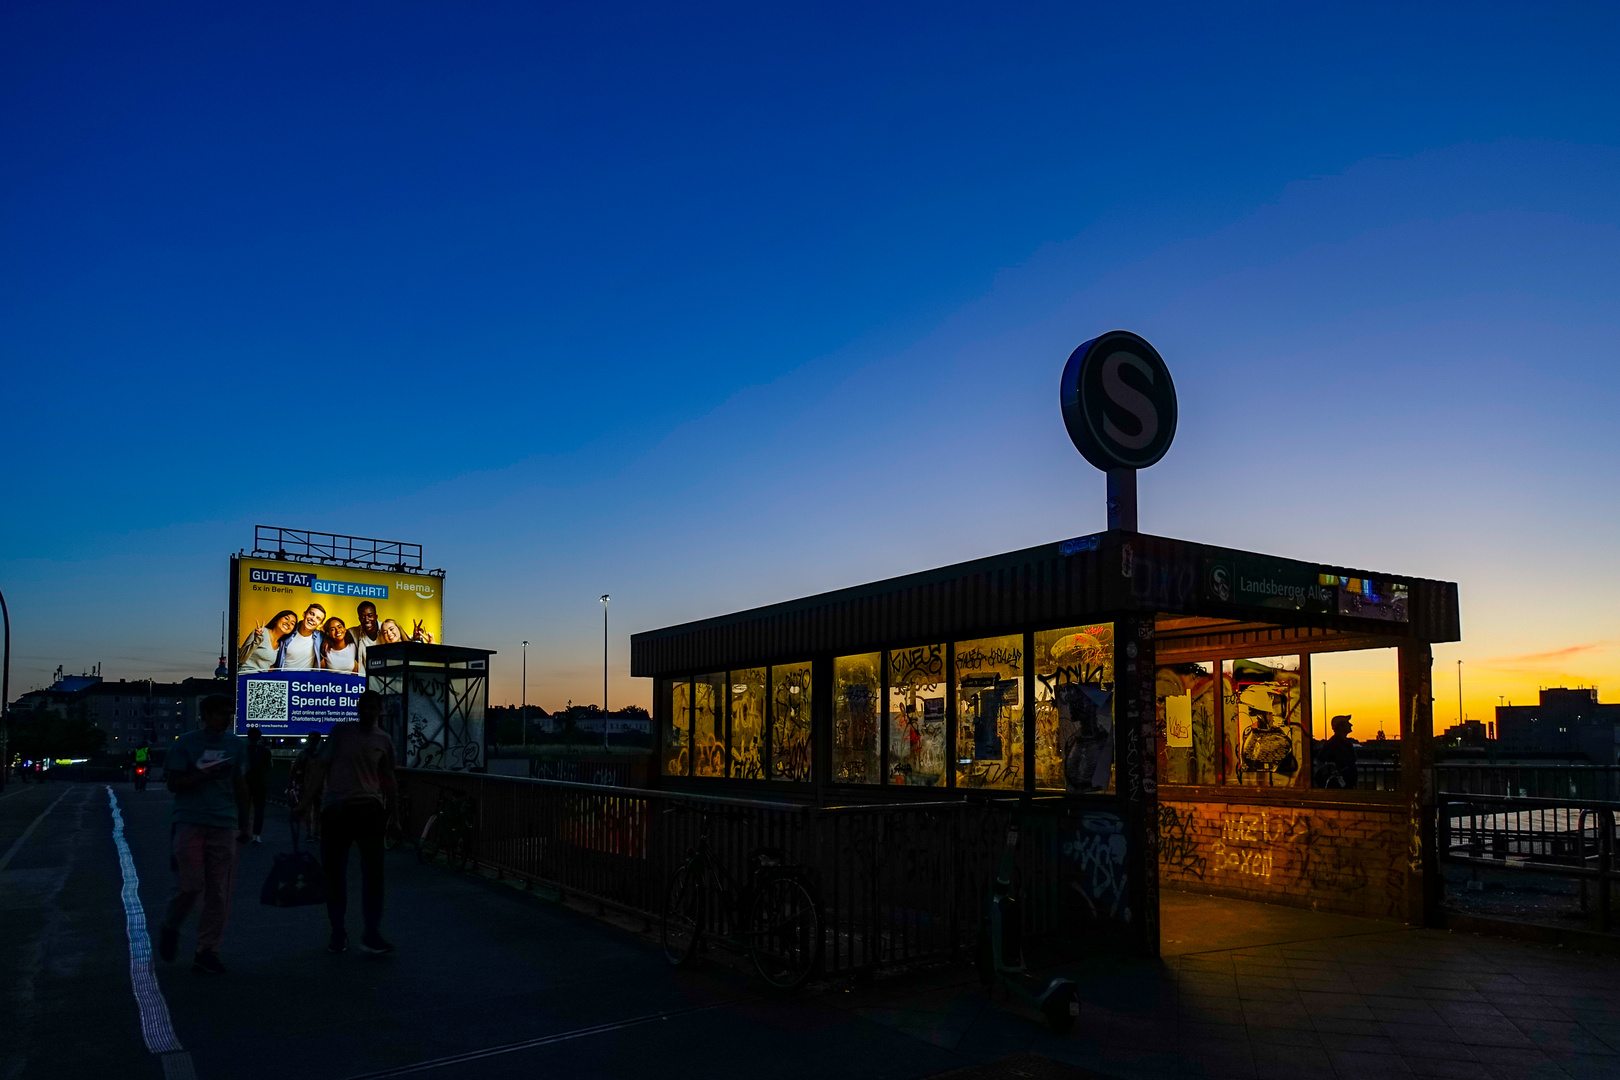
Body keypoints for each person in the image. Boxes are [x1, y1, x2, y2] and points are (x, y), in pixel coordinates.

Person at [296, 691, 398, 955]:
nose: (367, 711)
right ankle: (343, 931)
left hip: (363, 810)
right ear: (358, 708)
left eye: (371, 707)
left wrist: (394, 813)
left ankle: (364, 932)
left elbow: (388, 778)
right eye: (363, 707)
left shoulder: (383, 740)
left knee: (369, 875)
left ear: (379, 710)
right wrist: (305, 803)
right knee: (338, 875)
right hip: (339, 811)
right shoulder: (341, 732)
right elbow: (319, 768)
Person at [157, 695, 249, 975]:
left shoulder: (237, 745)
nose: (227, 719)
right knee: (192, 885)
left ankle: (207, 950)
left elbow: (241, 785)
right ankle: (172, 925)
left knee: (218, 892)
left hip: (223, 823)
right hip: (190, 820)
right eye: (222, 713)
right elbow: (174, 783)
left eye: (230, 714)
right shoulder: (185, 743)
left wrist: (246, 824)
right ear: (206, 714)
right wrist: (205, 774)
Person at [287, 730, 324, 840]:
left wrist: (290, 783)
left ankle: (308, 833)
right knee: (319, 809)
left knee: (308, 808)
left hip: (306, 784)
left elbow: (294, 770)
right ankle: (317, 832)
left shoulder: (303, 754)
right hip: (321, 785)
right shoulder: (323, 754)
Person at [1313, 714, 1359, 789]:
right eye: (1347, 723)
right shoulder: (1334, 743)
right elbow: (1320, 760)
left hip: (1346, 784)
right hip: (1341, 787)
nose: (1351, 725)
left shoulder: (1341, 742)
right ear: (1340, 727)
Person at [276, 604, 326, 670]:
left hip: (305, 679)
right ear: (304, 614)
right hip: (283, 678)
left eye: (318, 618)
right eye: (311, 614)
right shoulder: (288, 629)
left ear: (320, 624)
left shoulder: (321, 637)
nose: (313, 619)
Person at [244, 729, 273, 842]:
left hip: (246, 782)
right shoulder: (265, 751)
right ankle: (257, 834)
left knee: (244, 807)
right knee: (259, 810)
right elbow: (269, 767)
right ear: (260, 737)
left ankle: (244, 831)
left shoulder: (244, 750)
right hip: (260, 783)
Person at [351, 601, 381, 670]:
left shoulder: (386, 629)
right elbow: (339, 633)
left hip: (388, 677)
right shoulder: (354, 632)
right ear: (359, 619)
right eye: (362, 617)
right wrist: (326, 640)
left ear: (376, 617)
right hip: (366, 678)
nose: (367, 620)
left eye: (370, 616)